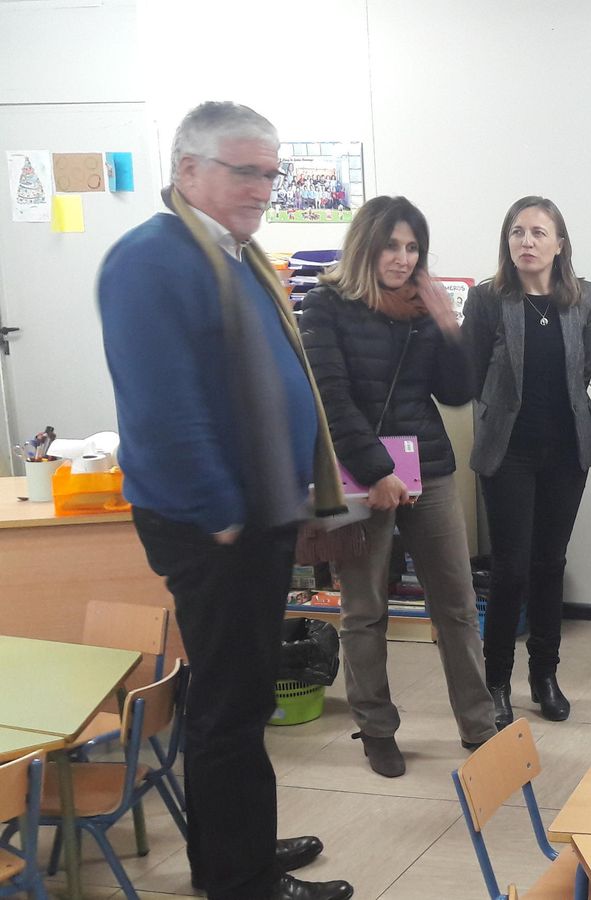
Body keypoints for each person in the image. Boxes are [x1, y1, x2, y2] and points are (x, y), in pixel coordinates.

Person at [98, 101, 353, 900]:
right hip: (216, 526)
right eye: (246, 170)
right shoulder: (150, 259)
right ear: (186, 169)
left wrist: (296, 502)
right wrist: (227, 516)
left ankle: (236, 850)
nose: (263, 187)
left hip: (257, 515)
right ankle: (239, 882)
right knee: (231, 707)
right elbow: (163, 410)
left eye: (271, 172)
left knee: (235, 700)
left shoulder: (233, 254)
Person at [300, 196, 497, 778]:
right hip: (362, 475)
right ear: (367, 243)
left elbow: (458, 391)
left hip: (427, 466)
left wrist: (447, 324)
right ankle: (377, 729)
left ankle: (479, 726)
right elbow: (330, 398)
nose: (403, 259)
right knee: (365, 608)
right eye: (392, 245)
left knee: (457, 604)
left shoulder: (420, 304)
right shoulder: (325, 305)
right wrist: (374, 470)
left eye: (413, 248)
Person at [462, 196, 591, 726]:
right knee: (510, 570)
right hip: (508, 453)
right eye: (517, 232)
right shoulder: (487, 300)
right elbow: (471, 373)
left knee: (550, 566)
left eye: (539, 232)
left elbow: (588, 366)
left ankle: (544, 676)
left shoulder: (584, 300)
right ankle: (495, 682)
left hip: (567, 451)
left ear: (559, 244)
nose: (527, 242)